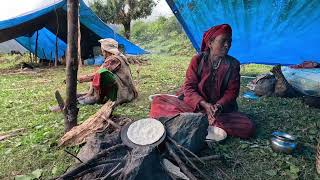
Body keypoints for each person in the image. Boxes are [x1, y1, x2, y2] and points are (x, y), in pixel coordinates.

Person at [150, 24, 255, 139]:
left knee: (247, 126)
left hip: (219, 112)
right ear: (210, 43)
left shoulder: (233, 64)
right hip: (196, 106)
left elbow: (232, 92)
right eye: (223, 41)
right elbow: (189, 88)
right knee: (158, 101)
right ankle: (201, 120)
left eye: (229, 41)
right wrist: (204, 104)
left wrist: (218, 106)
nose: (227, 45)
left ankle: (194, 120)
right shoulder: (197, 60)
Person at [77, 38, 138, 105]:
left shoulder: (114, 59)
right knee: (99, 72)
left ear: (105, 50)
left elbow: (98, 74)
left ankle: (96, 98)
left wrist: (79, 79)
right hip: (125, 90)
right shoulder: (118, 56)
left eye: (102, 49)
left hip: (124, 93)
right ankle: (89, 95)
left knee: (102, 74)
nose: (101, 51)